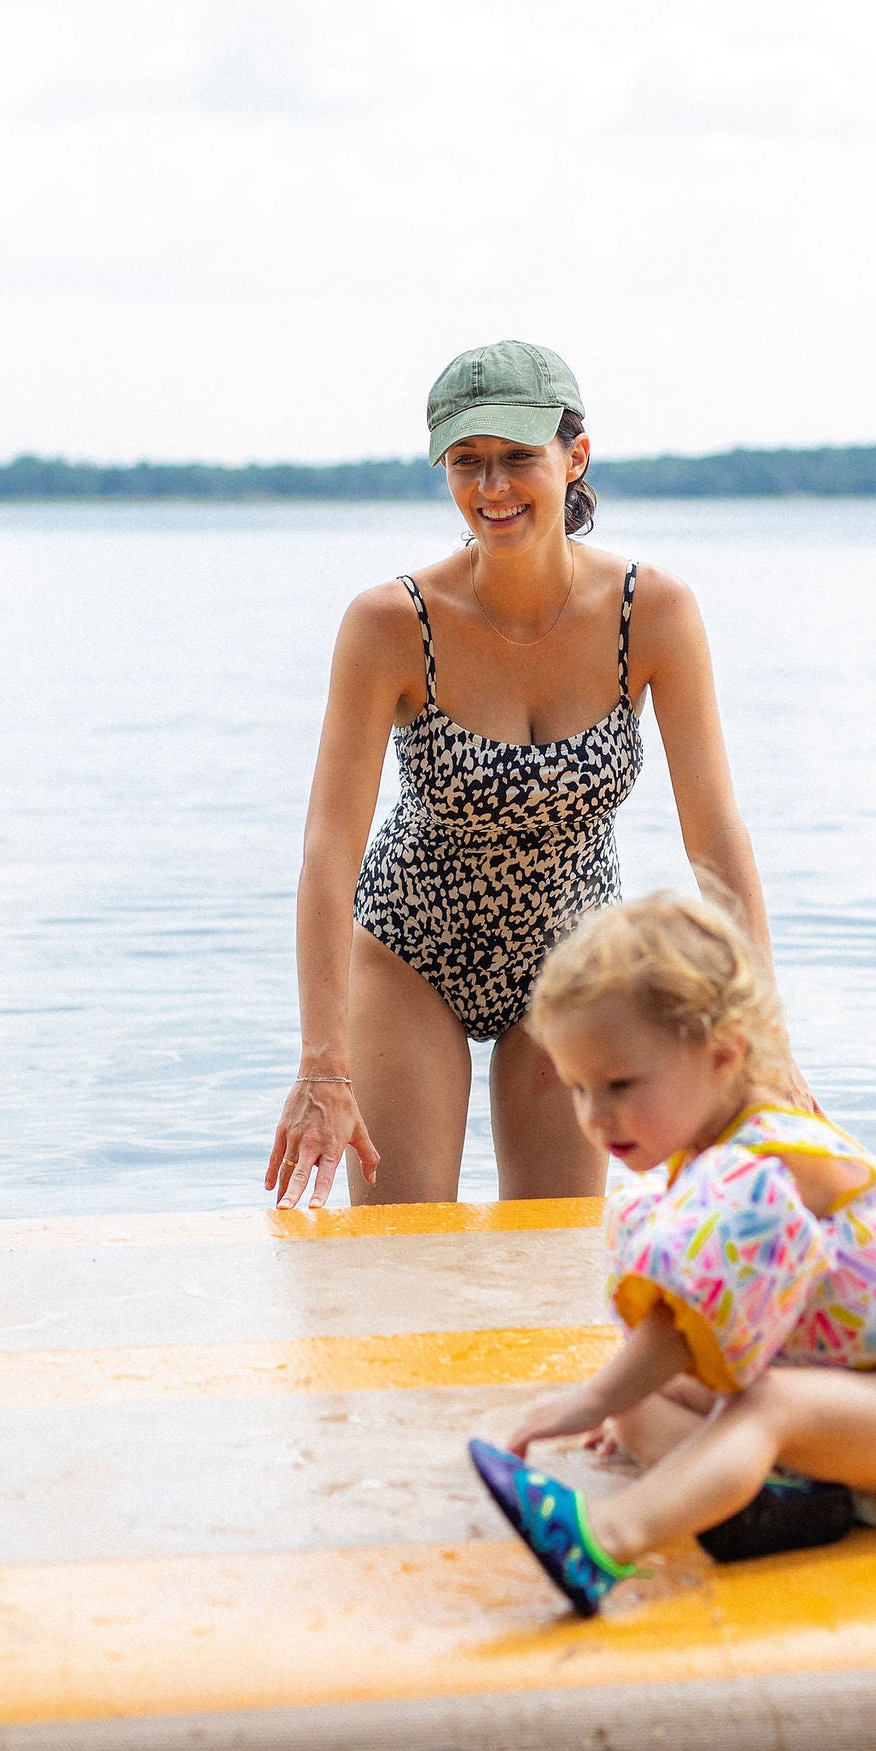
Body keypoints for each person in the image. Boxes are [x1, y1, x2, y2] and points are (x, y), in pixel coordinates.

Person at [266, 339, 773, 1210]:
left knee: (553, 1260)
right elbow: (327, 847)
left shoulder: (653, 612)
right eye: (467, 464)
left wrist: (763, 1042)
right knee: (401, 1256)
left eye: (516, 460)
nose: (492, 489)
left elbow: (715, 832)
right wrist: (323, 1060)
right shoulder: (392, 622)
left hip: (572, 962)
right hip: (409, 950)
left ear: (574, 458)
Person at [467, 892, 876, 1616]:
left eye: (620, 1085)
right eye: (576, 1088)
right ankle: (781, 1503)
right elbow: (689, 1340)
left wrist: (593, 1397)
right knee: (637, 1412)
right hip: (846, 1414)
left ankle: (603, 1540)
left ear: (724, 1054)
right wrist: (617, 1405)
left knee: (761, 1403)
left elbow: (685, 1317)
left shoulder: (770, 1163)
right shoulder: (712, 1156)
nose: (594, 1117)